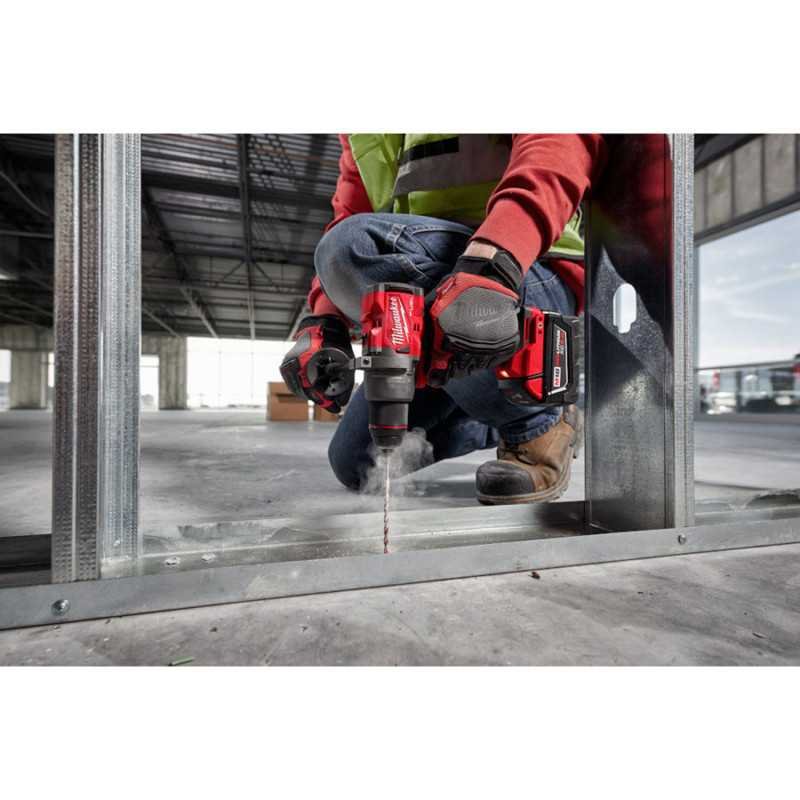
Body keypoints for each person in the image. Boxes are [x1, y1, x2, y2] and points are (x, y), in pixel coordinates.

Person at [281, 134, 607, 504]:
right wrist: (324, 323)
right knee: (356, 461)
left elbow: (556, 152)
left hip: (521, 267)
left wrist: (490, 265)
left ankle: (538, 425)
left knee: (349, 248)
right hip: (428, 277)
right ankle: (503, 408)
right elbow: (350, 212)